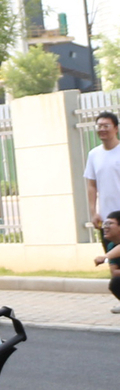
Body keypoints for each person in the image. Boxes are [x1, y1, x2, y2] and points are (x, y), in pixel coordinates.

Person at [84, 111, 120, 249]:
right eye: (99, 126)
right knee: (112, 262)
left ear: (116, 128)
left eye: (106, 126)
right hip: (106, 219)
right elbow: (92, 185)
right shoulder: (93, 155)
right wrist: (94, 212)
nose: (102, 129)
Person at [94, 210, 120, 313]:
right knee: (116, 283)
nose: (106, 227)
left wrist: (105, 257)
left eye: (110, 224)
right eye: (105, 224)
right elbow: (114, 272)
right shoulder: (111, 246)